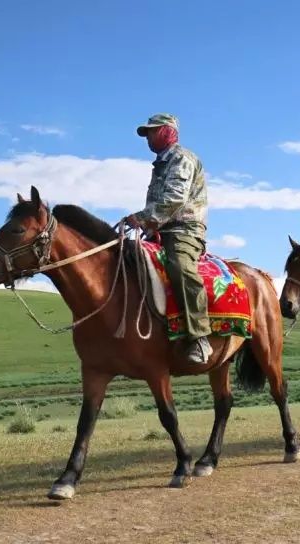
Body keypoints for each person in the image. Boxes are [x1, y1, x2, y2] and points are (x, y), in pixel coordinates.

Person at [124, 113, 212, 364]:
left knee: (180, 267)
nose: (148, 138)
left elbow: (175, 198)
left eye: (152, 131)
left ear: (166, 131)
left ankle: (200, 337)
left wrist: (141, 218)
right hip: (158, 231)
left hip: (185, 230)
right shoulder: (161, 164)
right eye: (147, 133)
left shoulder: (182, 158)